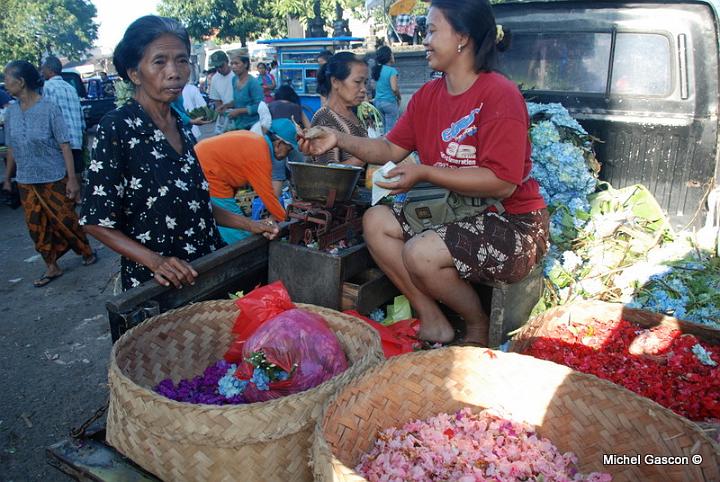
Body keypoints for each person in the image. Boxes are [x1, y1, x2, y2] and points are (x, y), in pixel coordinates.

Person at [299, 0, 548, 347]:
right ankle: (432, 318)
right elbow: (388, 149)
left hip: (511, 221)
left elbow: (502, 183)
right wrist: (337, 138)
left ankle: (477, 326)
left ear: (462, 37)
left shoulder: (499, 95)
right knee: (376, 222)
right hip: (450, 209)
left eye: (432, 30)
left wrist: (424, 172)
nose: (424, 39)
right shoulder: (428, 95)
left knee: (421, 253)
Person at [80, 16, 278, 291]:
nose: (174, 72)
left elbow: (195, 204)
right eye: (159, 61)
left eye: (182, 60)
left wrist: (250, 225)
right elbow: (95, 221)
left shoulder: (180, 125)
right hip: (157, 284)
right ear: (135, 73)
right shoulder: (118, 127)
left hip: (206, 268)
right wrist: (156, 261)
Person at [2, 60, 96, 287]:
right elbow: (12, 146)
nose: (5, 85)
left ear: (21, 82)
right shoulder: (11, 112)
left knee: (65, 218)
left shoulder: (49, 108)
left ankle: (85, 251)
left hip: (53, 175)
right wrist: (7, 177)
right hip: (25, 179)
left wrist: (72, 179)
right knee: (35, 224)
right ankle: (51, 266)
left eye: (7, 79)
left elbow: (64, 144)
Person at [194, 118, 297, 243]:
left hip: (206, 165)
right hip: (207, 170)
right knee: (237, 230)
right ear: (279, 144)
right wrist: (290, 225)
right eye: (289, 149)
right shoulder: (260, 153)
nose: (287, 154)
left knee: (230, 219)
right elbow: (268, 196)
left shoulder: (259, 143)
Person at [309, 52, 369, 166]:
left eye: (365, 83)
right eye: (357, 82)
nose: (364, 89)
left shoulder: (354, 113)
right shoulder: (325, 118)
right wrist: (370, 154)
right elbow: (328, 173)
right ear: (335, 82)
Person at [40, 56, 86, 178]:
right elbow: (82, 120)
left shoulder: (47, 87)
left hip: (59, 146)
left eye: (43, 69)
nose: (41, 72)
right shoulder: (71, 88)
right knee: (76, 185)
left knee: (62, 188)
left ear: (50, 70)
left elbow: (47, 117)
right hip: (76, 143)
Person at [227, 54, 263, 131]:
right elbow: (239, 100)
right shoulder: (234, 80)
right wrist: (226, 106)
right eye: (232, 64)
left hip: (253, 126)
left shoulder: (253, 83)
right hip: (239, 125)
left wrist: (239, 111)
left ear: (245, 64)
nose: (233, 66)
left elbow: (260, 106)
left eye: (236, 63)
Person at [371, 46, 401, 133]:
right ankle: (389, 146)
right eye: (392, 54)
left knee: (383, 128)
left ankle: (384, 145)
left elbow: (373, 86)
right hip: (389, 102)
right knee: (391, 130)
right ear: (388, 56)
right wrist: (399, 97)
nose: (393, 56)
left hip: (378, 102)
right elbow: (394, 88)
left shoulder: (377, 70)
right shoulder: (392, 71)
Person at [207, 51, 234, 133]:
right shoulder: (215, 79)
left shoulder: (236, 74)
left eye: (221, 66)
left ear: (227, 62)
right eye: (216, 67)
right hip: (226, 115)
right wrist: (221, 111)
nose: (219, 69)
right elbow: (217, 100)